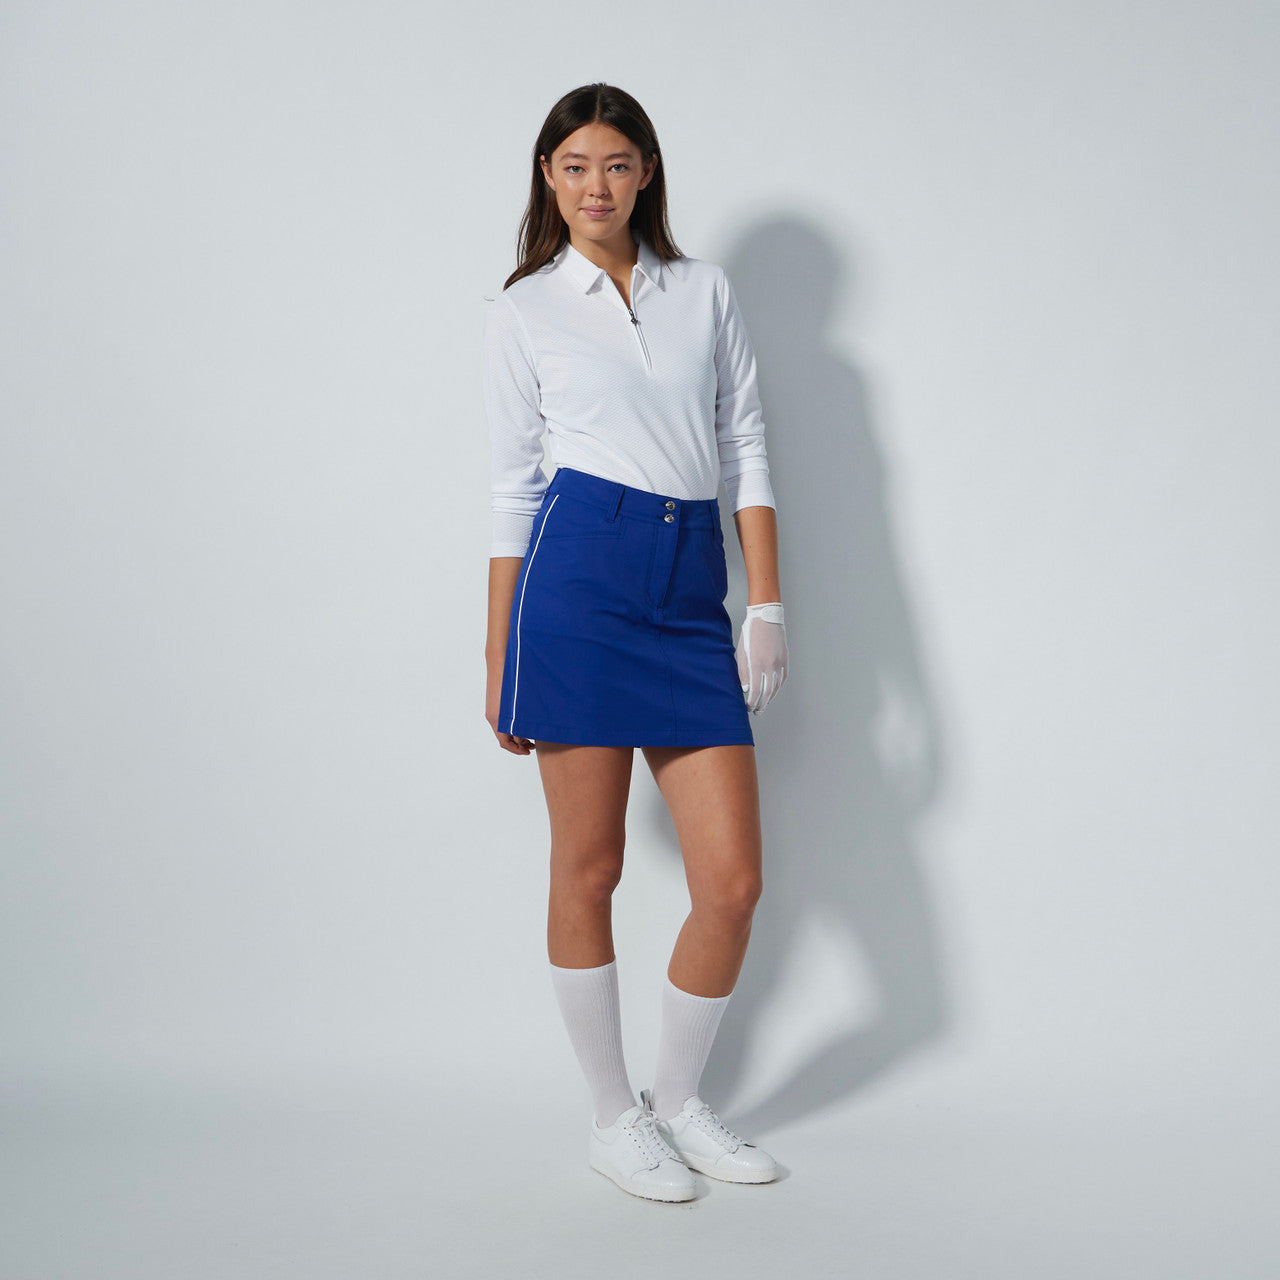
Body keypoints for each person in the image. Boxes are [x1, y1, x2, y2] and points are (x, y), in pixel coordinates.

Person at [482, 82, 789, 1203]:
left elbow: (742, 442)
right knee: (591, 864)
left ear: (646, 170)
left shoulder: (702, 291)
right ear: (547, 177)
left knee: (732, 881)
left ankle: (677, 1100)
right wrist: (498, 656)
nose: (595, 186)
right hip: (577, 580)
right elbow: (512, 489)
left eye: (614, 163)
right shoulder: (526, 310)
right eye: (573, 166)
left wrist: (764, 605)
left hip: (687, 583)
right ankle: (614, 1117)